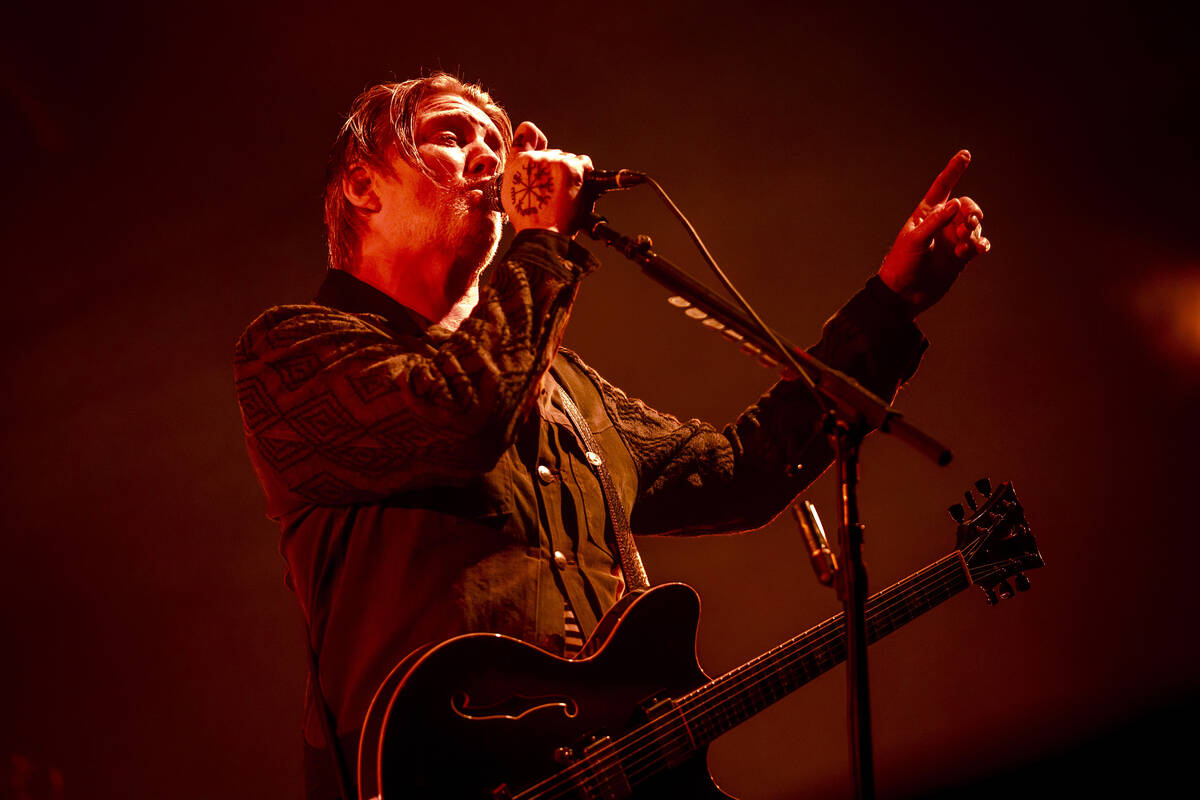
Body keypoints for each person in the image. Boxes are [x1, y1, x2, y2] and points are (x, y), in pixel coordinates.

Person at [233, 73, 988, 799]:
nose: (489, 156)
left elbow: (746, 469)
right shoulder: (292, 351)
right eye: (451, 135)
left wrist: (891, 304)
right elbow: (460, 417)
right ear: (363, 185)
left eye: (496, 140)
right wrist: (541, 245)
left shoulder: (563, 390)